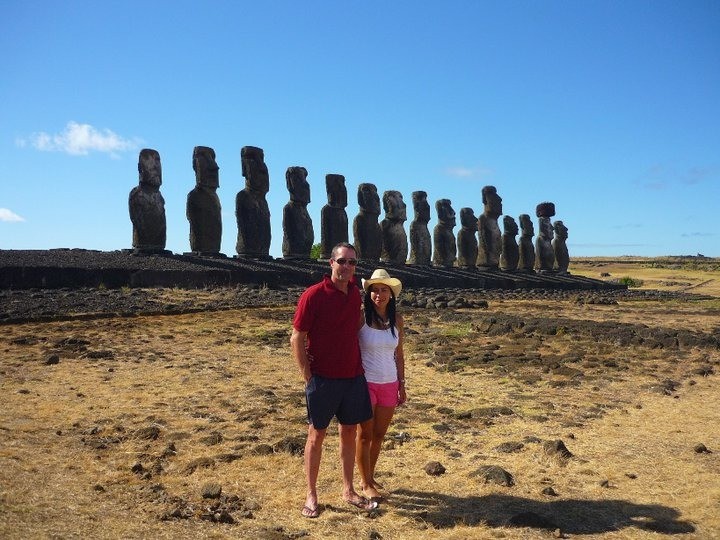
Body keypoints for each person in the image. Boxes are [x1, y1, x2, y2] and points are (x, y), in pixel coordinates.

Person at [290, 242, 377, 518]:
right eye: (342, 261)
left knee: (349, 431)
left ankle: (348, 489)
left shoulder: (354, 294)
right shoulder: (313, 295)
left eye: (352, 262)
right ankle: (312, 493)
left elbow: (356, 325)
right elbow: (297, 337)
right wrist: (307, 375)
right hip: (323, 378)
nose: (347, 267)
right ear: (331, 263)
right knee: (317, 434)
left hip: (353, 375)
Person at [356, 268, 406, 501]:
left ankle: (370, 475)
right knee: (364, 435)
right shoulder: (360, 317)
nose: (379, 295)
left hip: (389, 383)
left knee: (379, 435)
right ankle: (365, 483)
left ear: (391, 294)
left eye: (384, 290)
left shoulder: (397, 320)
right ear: (369, 294)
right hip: (366, 383)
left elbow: (399, 354)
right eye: (375, 290)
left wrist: (402, 384)